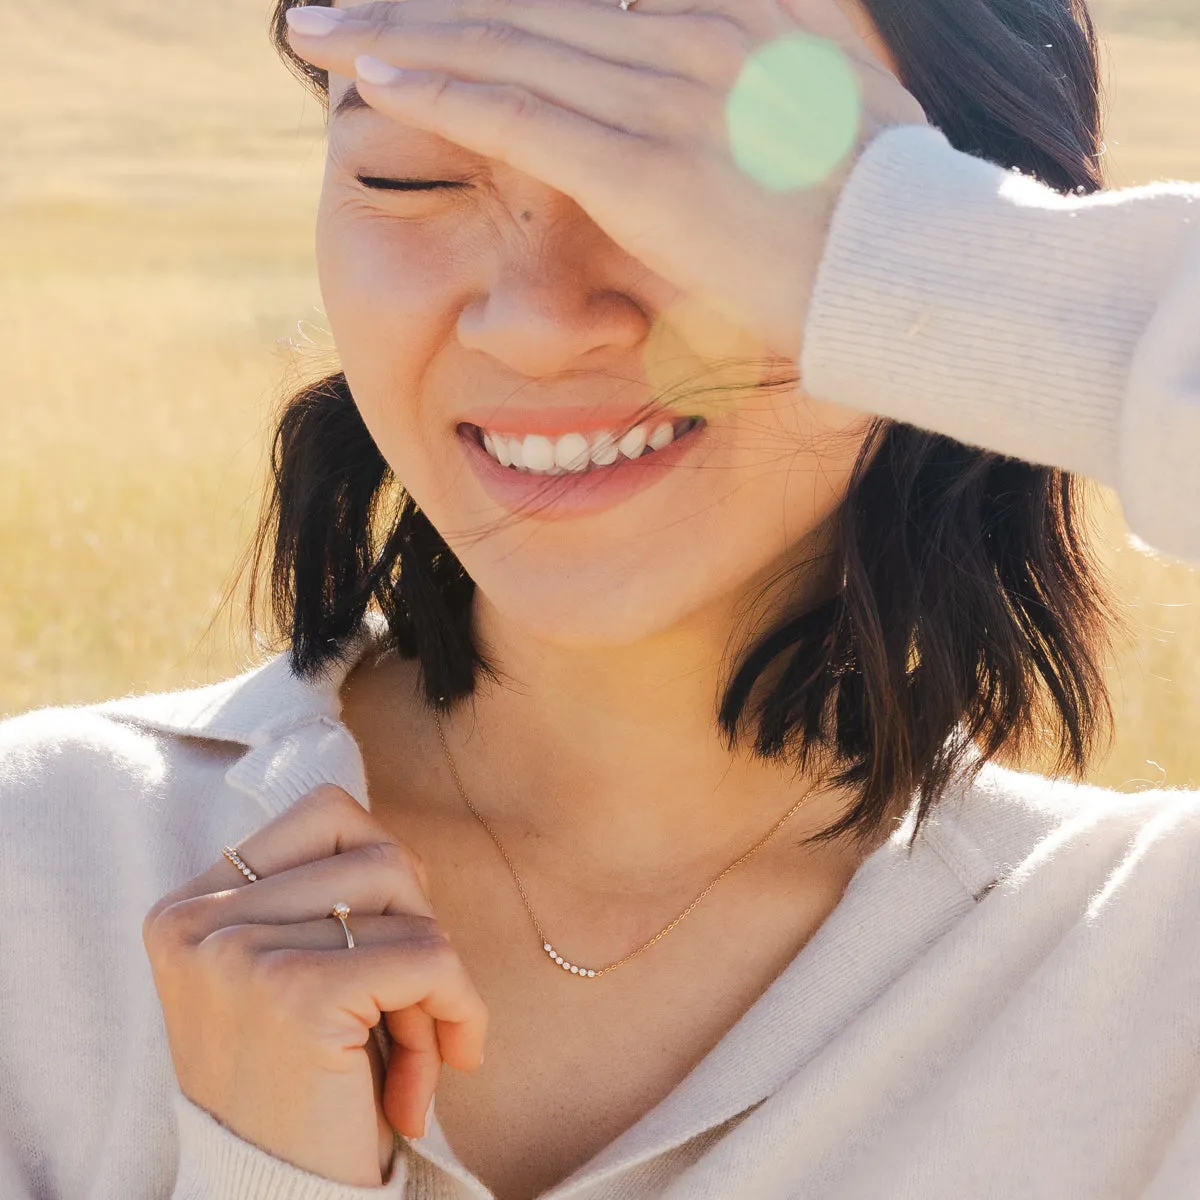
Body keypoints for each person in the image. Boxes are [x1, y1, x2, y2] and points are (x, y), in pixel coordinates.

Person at [1, 1, 1197, 1199]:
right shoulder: (45, 873)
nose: (533, 318)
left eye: (702, 159)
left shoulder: (1148, 977)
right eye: (408, 168)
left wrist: (942, 268)